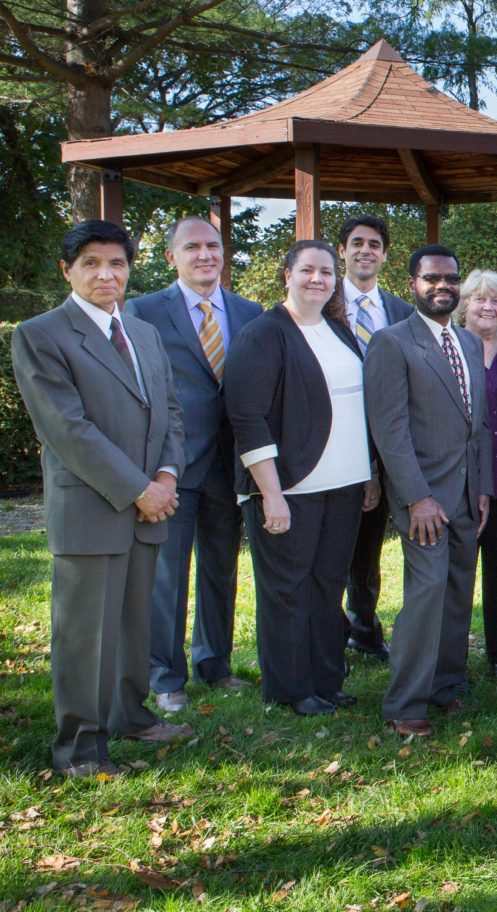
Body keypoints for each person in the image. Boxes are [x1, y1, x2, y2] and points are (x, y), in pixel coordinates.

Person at [12, 220, 193, 777]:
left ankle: (131, 716)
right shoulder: (41, 334)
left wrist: (165, 476)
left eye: (115, 263)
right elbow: (68, 430)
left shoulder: (142, 333)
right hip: (93, 508)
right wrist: (139, 490)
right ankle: (80, 749)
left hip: (149, 506)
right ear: (67, 270)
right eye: (90, 263)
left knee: (135, 624)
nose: (105, 274)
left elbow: (170, 413)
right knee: (87, 636)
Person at [226, 240, 375, 716]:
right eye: (307, 270)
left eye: (326, 272)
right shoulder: (264, 334)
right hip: (289, 487)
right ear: (286, 275)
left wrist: (368, 474)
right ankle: (290, 689)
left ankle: (326, 681)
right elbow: (247, 417)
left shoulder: (338, 330)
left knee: (328, 584)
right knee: (287, 590)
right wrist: (270, 493)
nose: (317, 279)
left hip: (344, 485)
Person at [127, 216, 262, 711]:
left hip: (231, 466)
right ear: (171, 257)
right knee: (168, 575)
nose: (205, 255)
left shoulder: (250, 312)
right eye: (192, 247)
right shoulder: (141, 311)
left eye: (213, 246)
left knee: (220, 569)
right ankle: (165, 678)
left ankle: (215, 664)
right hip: (171, 467)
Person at [365, 244, 492, 737]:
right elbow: (389, 429)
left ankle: (446, 685)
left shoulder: (468, 342)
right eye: (432, 278)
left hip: (465, 495)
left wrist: (480, 489)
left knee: (459, 591)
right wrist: (416, 496)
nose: (443, 286)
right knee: (427, 592)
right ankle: (405, 702)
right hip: (423, 497)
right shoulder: (391, 343)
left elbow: (475, 426)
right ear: (412, 283)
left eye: (451, 278)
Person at [338, 215, 414, 663]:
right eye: (357, 243)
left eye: (374, 245)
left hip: (389, 447)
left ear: (385, 254)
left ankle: (364, 628)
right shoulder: (321, 305)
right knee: (334, 548)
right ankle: (329, 632)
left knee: (368, 547)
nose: (365, 250)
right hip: (332, 445)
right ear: (343, 251)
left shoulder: (401, 312)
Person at [457, 270, 497, 684]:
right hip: (459, 482)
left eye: (496, 300)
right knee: (458, 572)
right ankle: (451, 657)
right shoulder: (450, 347)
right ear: (465, 304)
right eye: (479, 299)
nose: (487, 307)